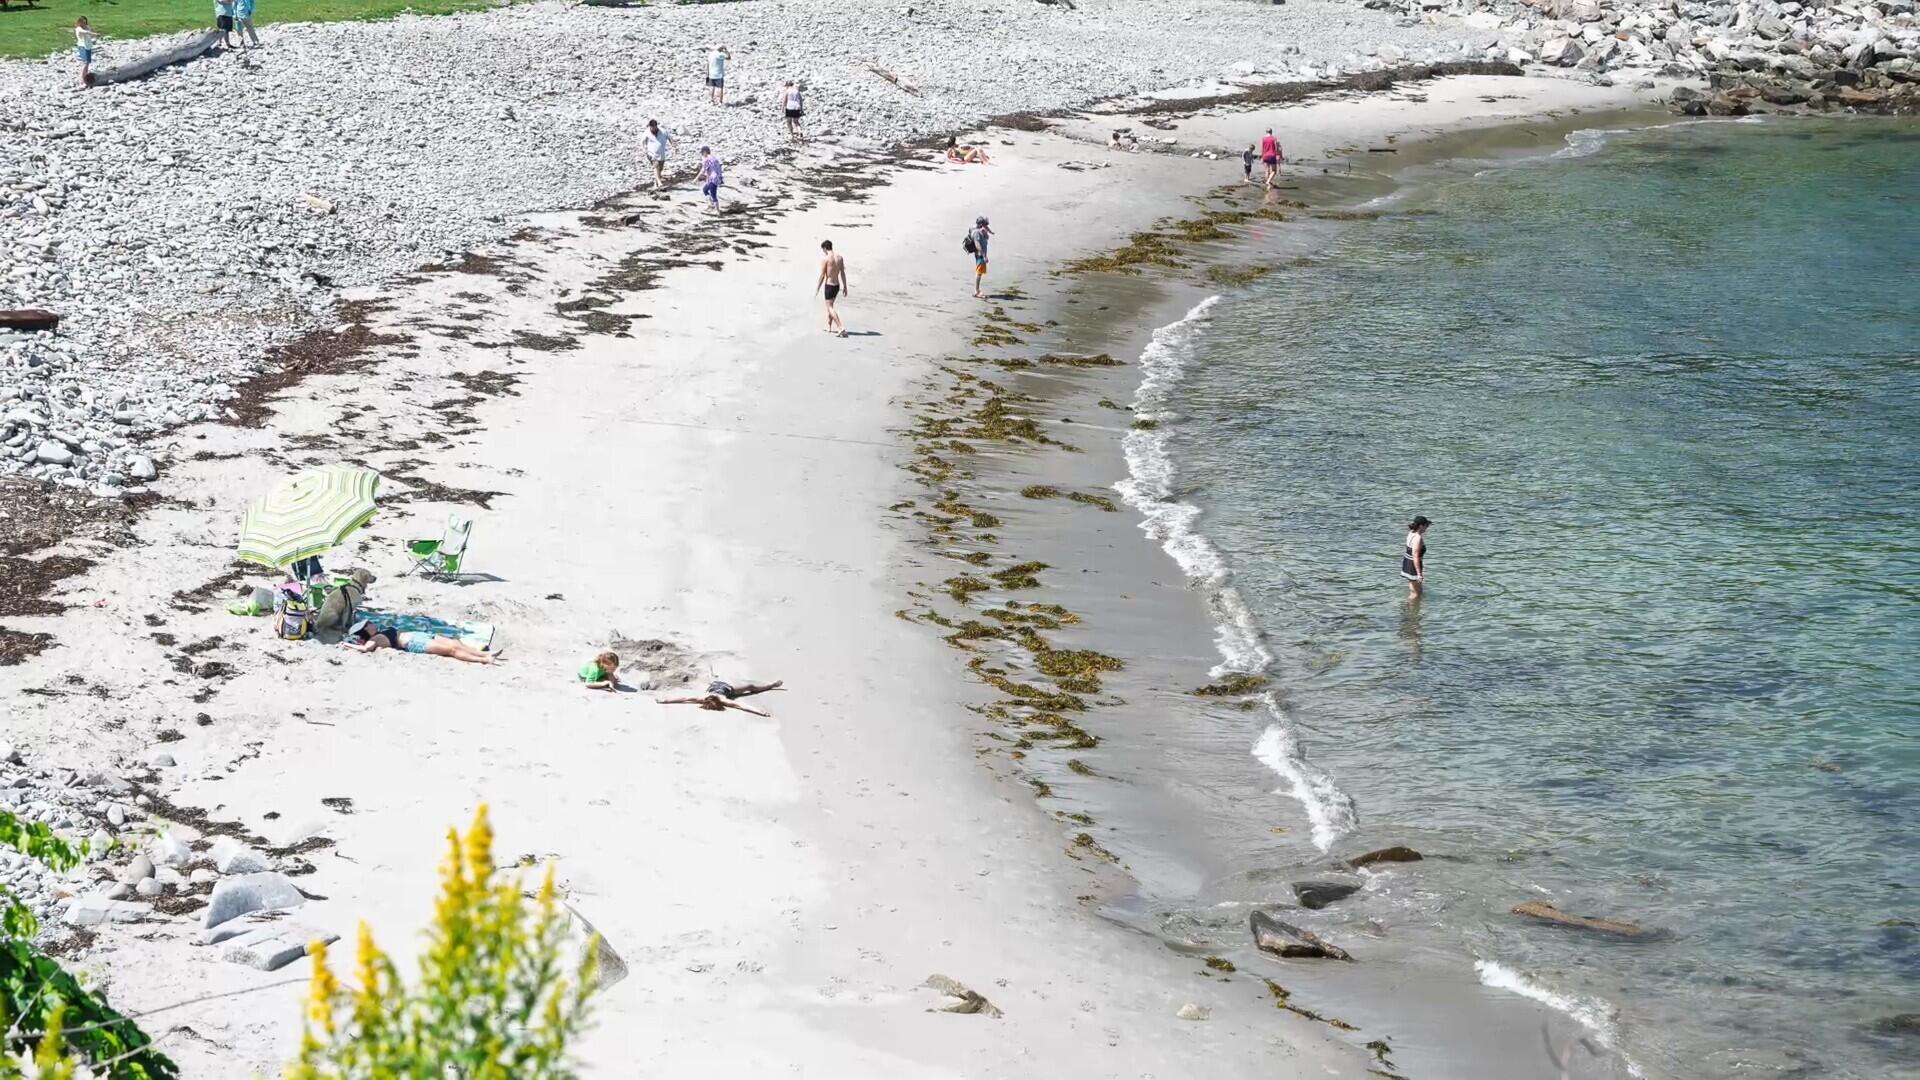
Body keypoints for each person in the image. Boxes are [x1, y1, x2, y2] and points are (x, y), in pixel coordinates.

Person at [342, 619, 501, 665]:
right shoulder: (374, 639)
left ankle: (485, 652)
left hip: (420, 635)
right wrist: (346, 644)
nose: (371, 623)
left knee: (455, 642)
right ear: (365, 630)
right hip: (414, 644)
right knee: (451, 651)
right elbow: (365, 649)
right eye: (368, 624)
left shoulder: (379, 631)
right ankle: (484, 659)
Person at [816, 240, 848, 336]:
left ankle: (840, 327)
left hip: (829, 286)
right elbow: (842, 273)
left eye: (823, 250)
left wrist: (818, 288)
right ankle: (829, 326)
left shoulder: (826, 259)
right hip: (837, 286)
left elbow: (822, 275)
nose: (823, 251)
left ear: (825, 248)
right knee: (830, 306)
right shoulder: (840, 258)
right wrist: (845, 286)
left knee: (829, 307)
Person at [1401, 516, 1432, 600]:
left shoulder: (1411, 532)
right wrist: (1419, 574)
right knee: (1415, 594)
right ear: (1421, 526)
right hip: (1413, 565)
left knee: (1418, 590)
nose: (1427, 528)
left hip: (1408, 562)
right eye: (1426, 526)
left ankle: (1415, 609)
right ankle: (1409, 610)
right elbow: (1415, 556)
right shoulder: (1417, 538)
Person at [966, 215, 992, 298]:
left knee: (979, 272)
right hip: (980, 255)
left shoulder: (978, 228)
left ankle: (977, 290)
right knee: (979, 272)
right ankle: (977, 291)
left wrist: (988, 233)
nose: (986, 226)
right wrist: (984, 256)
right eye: (985, 224)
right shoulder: (976, 233)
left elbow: (986, 236)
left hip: (981, 254)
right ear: (981, 225)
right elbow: (977, 245)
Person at [643, 119, 672, 187]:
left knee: (660, 169)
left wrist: (673, 146)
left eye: (654, 127)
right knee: (655, 166)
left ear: (656, 126)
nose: (653, 128)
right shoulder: (646, 133)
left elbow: (669, 138)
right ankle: (659, 182)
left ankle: (655, 183)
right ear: (650, 126)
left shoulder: (663, 131)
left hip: (661, 154)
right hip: (651, 153)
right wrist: (645, 150)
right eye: (652, 127)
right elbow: (642, 142)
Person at [75, 18, 100, 87]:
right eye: (83, 22)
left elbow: (89, 31)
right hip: (82, 46)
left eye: (85, 22)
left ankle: (85, 78)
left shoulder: (86, 27)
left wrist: (90, 30)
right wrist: (94, 34)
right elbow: (86, 32)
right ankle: (83, 80)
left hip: (88, 46)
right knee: (85, 63)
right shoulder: (78, 29)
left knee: (88, 63)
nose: (84, 24)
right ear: (79, 22)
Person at [698, 146, 724, 212]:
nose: (702, 155)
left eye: (702, 153)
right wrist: (721, 177)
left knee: (713, 195)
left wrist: (696, 179)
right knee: (705, 190)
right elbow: (720, 167)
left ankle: (718, 212)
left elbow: (704, 170)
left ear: (705, 152)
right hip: (717, 178)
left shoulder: (706, 160)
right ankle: (711, 205)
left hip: (712, 179)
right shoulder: (715, 158)